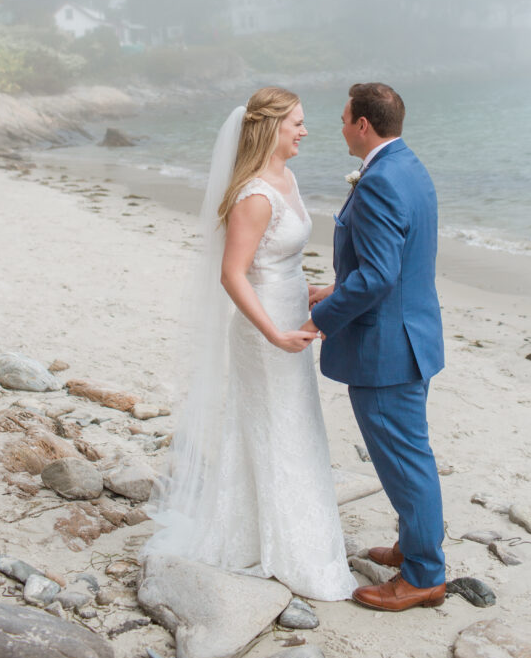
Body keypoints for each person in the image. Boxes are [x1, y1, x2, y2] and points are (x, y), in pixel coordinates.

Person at [143, 86, 356, 601]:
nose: (306, 131)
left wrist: (306, 291)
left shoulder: (288, 178)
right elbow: (233, 274)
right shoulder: (256, 194)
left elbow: (276, 259)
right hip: (264, 330)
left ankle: (285, 535)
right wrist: (273, 330)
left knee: (295, 425)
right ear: (271, 128)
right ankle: (283, 548)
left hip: (290, 315)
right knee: (275, 427)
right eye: (297, 123)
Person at [304, 82, 446, 611]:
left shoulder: (380, 181)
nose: (339, 126)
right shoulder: (409, 166)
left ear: (364, 124)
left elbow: (380, 276)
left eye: (344, 118)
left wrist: (321, 318)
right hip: (414, 336)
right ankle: (414, 547)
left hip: (386, 351)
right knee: (410, 454)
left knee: (407, 463)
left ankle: (426, 575)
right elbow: (396, 260)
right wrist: (337, 287)